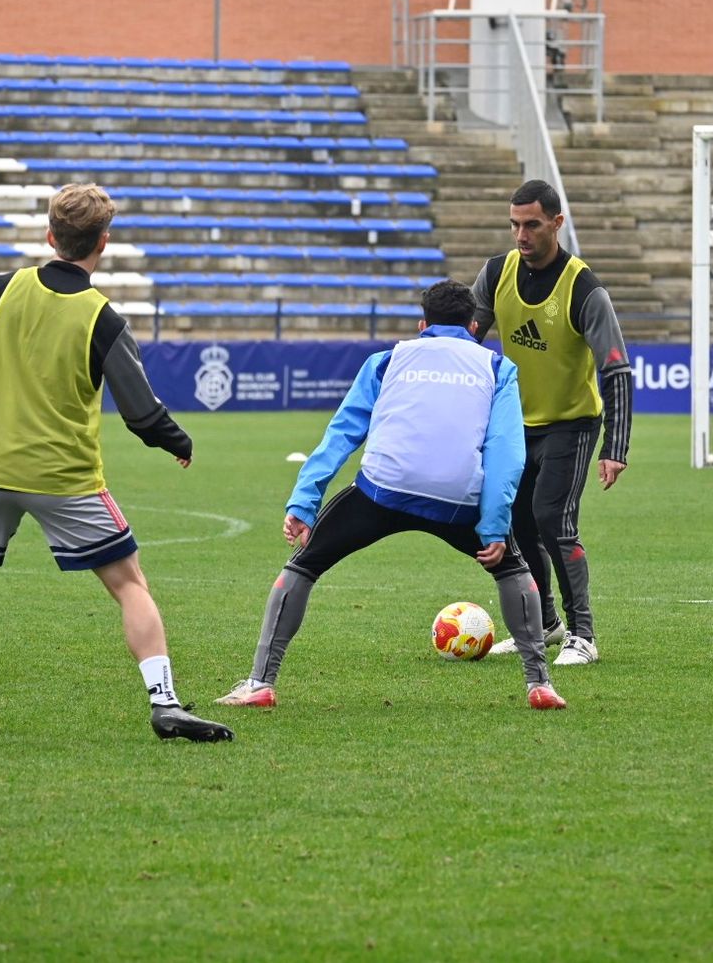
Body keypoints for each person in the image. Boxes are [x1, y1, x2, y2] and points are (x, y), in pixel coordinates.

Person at [0, 183, 231, 742]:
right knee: (130, 584)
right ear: (104, 242)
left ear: (51, 237)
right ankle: (165, 702)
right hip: (65, 478)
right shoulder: (104, 319)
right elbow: (141, 414)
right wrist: (178, 442)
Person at [214, 280, 565, 711]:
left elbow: (342, 434)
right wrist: (493, 526)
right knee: (513, 570)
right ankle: (539, 684)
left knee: (303, 566)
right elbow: (507, 453)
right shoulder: (497, 367)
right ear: (474, 327)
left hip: (384, 489)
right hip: (456, 498)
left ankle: (260, 683)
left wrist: (304, 503)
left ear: (422, 325)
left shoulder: (387, 360)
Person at [470, 180, 632, 666]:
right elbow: (465, 345)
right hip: (516, 426)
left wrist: (615, 446)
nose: (521, 235)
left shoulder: (584, 288)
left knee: (552, 517)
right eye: (514, 225)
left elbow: (616, 368)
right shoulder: (495, 273)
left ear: (557, 223)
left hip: (572, 424)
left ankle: (583, 633)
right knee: (515, 520)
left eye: (532, 225)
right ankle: (545, 624)